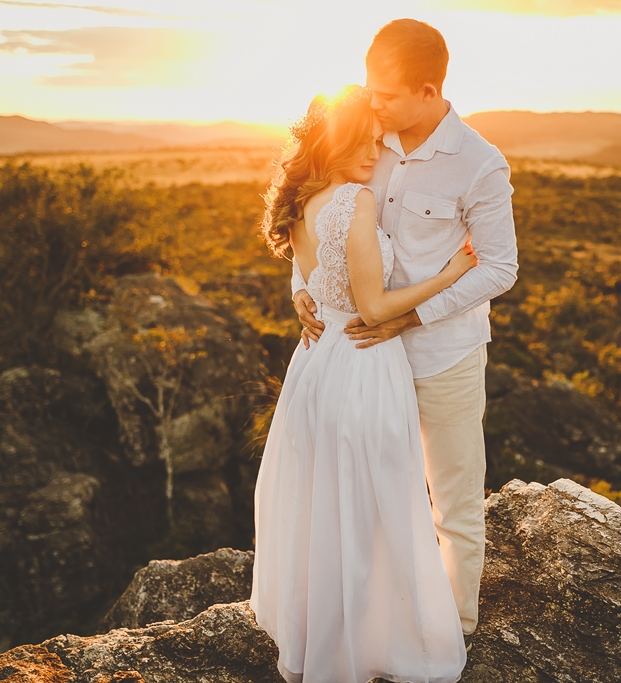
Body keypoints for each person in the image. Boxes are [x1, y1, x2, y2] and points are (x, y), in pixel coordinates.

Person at [291, 19, 519, 649]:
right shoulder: (367, 136)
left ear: (429, 89)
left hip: (443, 357)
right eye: (370, 89)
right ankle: (375, 627)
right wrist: (302, 290)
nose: (374, 103)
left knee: (454, 504)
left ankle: (455, 633)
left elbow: (500, 266)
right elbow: (319, 214)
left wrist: (411, 316)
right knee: (368, 500)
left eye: (386, 94)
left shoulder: (479, 163)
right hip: (363, 363)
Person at [249, 84, 472, 683]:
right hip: (363, 362)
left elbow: (309, 270)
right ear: (337, 141)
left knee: (323, 503)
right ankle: (372, 643)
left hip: (314, 369)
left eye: (379, 142)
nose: (376, 154)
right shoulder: (355, 201)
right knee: (377, 504)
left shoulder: (301, 200)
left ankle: (322, 643)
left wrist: (302, 293)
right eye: (365, 142)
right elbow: (373, 308)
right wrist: (451, 274)